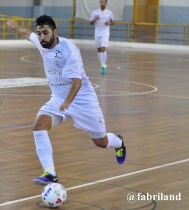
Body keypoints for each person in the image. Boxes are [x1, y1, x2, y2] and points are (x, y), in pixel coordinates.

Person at [7, 15, 126, 186]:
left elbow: (77, 81)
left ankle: (119, 142)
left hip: (83, 100)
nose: (42, 37)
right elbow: (27, 34)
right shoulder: (41, 43)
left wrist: (68, 102)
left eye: (45, 33)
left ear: (55, 31)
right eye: (39, 33)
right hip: (59, 99)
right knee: (39, 126)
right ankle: (50, 174)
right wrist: (16, 26)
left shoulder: (68, 49)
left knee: (101, 142)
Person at [90, 0, 114, 74]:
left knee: (103, 48)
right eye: (101, 2)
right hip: (97, 33)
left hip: (105, 33)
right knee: (99, 49)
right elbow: (91, 22)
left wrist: (109, 23)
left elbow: (112, 22)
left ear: (106, 3)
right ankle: (102, 64)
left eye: (104, 2)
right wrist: (95, 19)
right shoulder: (95, 12)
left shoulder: (109, 12)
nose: (102, 3)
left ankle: (103, 65)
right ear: (100, 3)